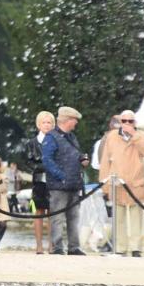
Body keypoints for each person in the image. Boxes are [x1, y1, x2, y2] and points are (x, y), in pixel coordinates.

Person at [98, 109, 144, 257]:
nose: (127, 124)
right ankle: (120, 248)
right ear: (120, 122)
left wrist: (134, 136)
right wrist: (104, 184)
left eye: (130, 121)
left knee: (136, 218)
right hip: (117, 183)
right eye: (124, 121)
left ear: (135, 123)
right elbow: (105, 160)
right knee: (119, 219)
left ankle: (136, 248)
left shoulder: (140, 135)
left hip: (136, 183)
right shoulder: (111, 137)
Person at [42, 106, 90, 256]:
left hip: (73, 184)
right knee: (57, 217)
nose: (76, 123)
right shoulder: (51, 137)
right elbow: (47, 160)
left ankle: (73, 247)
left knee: (73, 217)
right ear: (68, 120)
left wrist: (82, 158)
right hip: (59, 186)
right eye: (75, 120)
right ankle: (57, 248)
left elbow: (73, 154)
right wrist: (61, 176)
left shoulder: (71, 137)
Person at [22, 110, 56, 254]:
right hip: (39, 181)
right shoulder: (31, 143)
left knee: (53, 213)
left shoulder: (58, 142)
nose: (47, 125)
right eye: (44, 122)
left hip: (54, 181)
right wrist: (43, 166)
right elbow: (28, 163)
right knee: (38, 212)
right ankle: (39, 245)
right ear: (38, 124)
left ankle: (52, 245)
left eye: (49, 122)